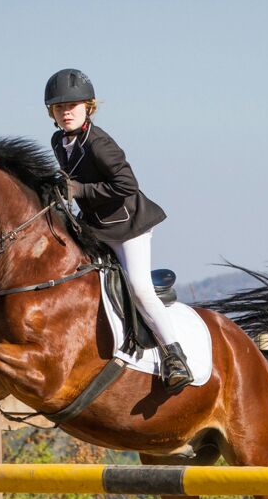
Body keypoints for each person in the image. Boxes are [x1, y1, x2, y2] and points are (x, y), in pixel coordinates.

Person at [44, 68, 192, 393]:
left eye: (73, 106)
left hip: (129, 226)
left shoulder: (99, 142)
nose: (66, 112)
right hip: (96, 227)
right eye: (59, 108)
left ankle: (175, 356)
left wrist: (80, 191)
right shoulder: (59, 141)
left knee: (139, 288)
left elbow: (127, 185)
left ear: (89, 107)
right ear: (51, 113)